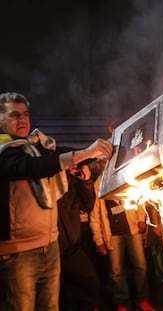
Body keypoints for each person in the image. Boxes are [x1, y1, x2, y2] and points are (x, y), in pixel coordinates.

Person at [0, 91, 113, 311]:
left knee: (51, 307)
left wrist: (101, 148)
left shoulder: (32, 146)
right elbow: (34, 167)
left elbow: (57, 155)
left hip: (50, 244)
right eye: (15, 115)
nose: (23, 120)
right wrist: (85, 153)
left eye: (26, 114)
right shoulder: (5, 150)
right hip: (17, 254)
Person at [90, 173, 155, 311]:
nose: (104, 162)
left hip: (132, 228)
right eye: (101, 160)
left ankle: (142, 299)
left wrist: (141, 218)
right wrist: (99, 240)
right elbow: (94, 215)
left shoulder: (124, 175)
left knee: (141, 265)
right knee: (116, 270)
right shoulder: (98, 185)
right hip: (112, 234)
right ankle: (122, 302)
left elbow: (138, 197)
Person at [58, 164, 101, 311]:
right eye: (71, 166)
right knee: (63, 297)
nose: (74, 169)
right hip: (54, 251)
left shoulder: (74, 185)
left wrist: (86, 181)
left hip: (73, 249)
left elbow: (88, 205)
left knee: (90, 283)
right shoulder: (52, 183)